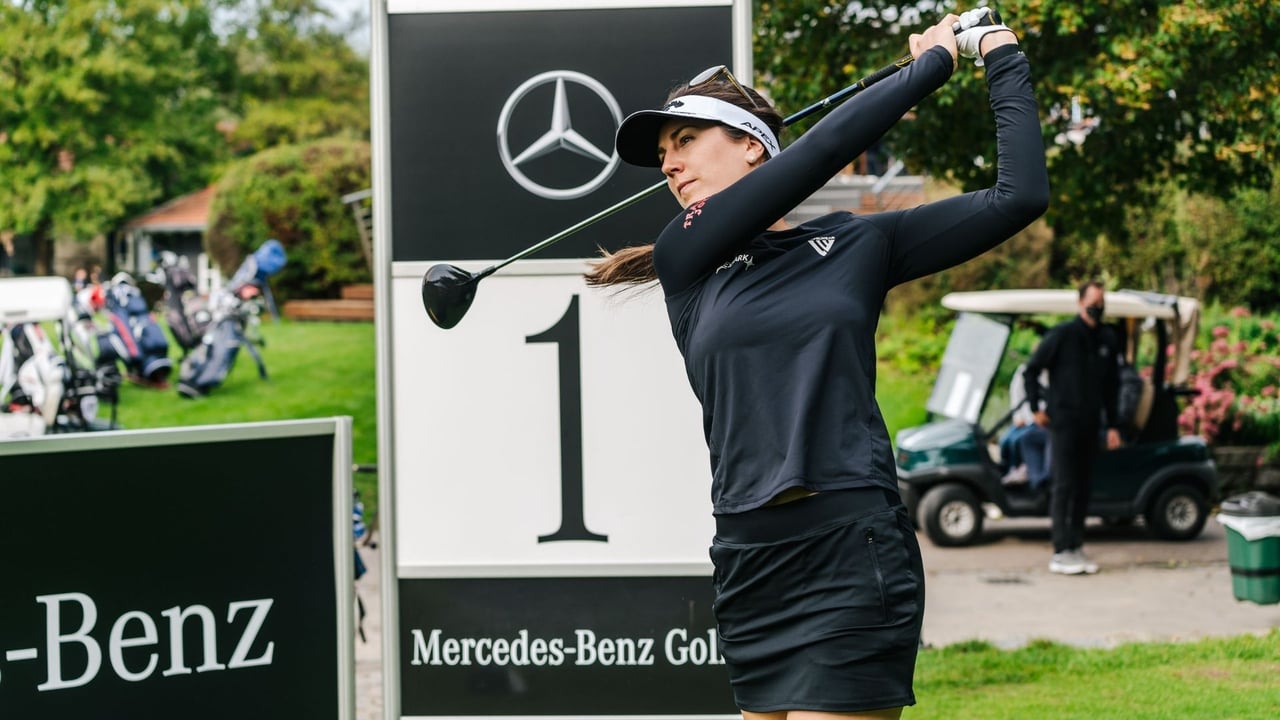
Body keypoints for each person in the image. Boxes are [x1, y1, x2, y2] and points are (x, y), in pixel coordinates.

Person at [586, 8, 1046, 718]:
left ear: (750, 148)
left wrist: (999, 55)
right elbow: (819, 155)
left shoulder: (859, 245)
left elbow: (1017, 196)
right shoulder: (686, 260)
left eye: (685, 140)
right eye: (663, 153)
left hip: (851, 550)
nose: (669, 164)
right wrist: (928, 68)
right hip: (748, 559)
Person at [1024, 281, 1124, 576]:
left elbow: (1112, 387)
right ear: (1080, 303)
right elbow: (1031, 370)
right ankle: (1060, 549)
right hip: (1063, 423)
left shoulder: (1107, 338)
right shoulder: (1062, 335)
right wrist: (1035, 407)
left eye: (1101, 301)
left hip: (1091, 425)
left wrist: (1114, 426)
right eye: (1093, 301)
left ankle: (1076, 544)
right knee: (1064, 485)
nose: (1098, 307)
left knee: (1083, 487)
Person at [1000, 363, 1051, 490]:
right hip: (1027, 418)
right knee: (1006, 439)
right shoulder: (1026, 370)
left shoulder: (1055, 373)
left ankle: (1024, 468)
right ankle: (1011, 468)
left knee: (1022, 439)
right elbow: (1017, 394)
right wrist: (1019, 417)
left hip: (1041, 422)